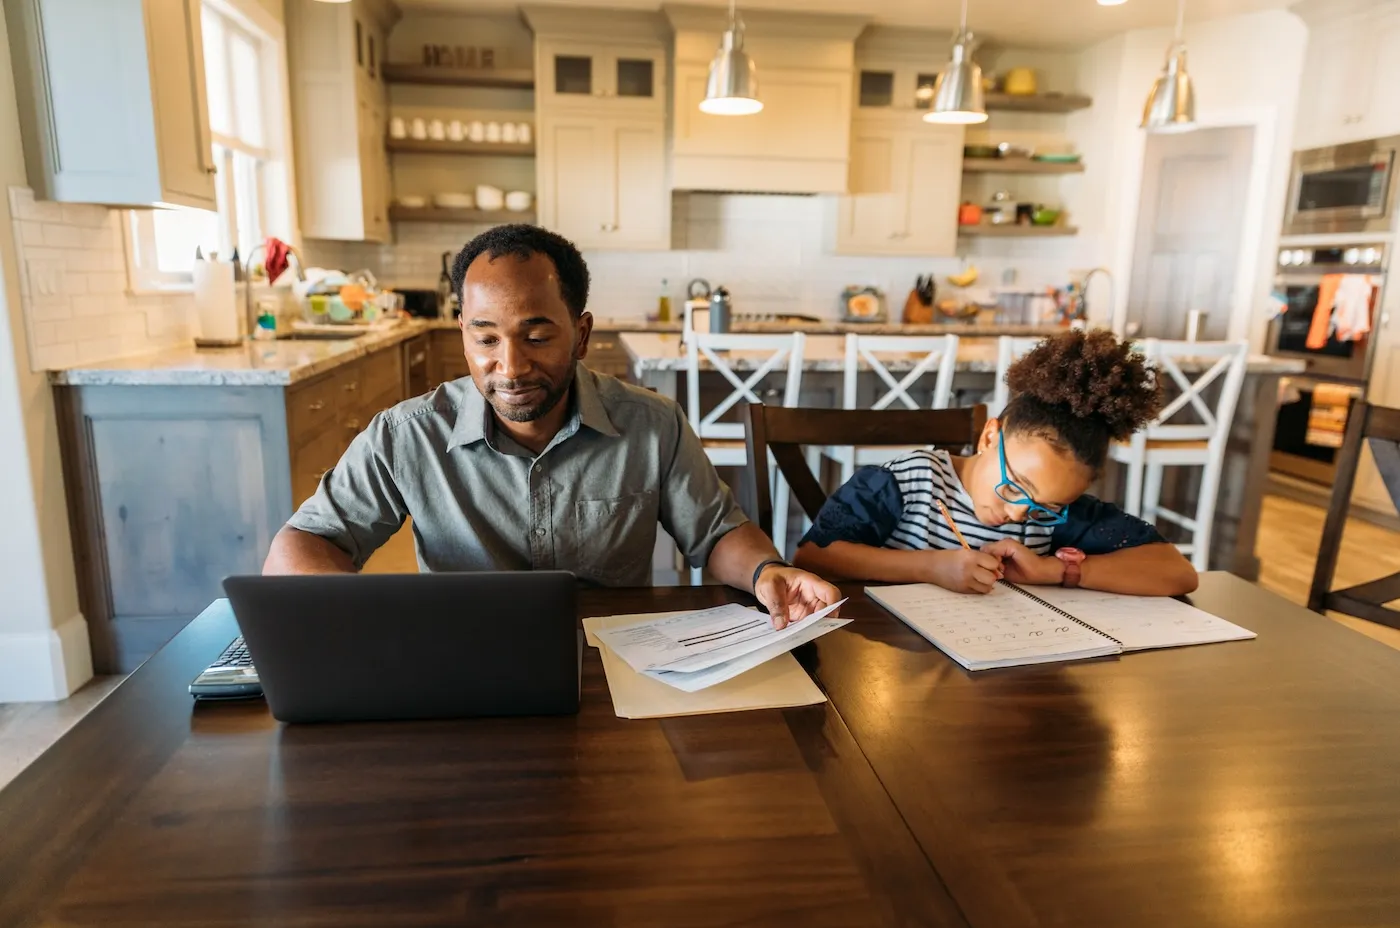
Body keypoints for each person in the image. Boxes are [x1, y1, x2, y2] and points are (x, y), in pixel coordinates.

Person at [264, 224, 838, 629]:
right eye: (486, 339)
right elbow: (309, 542)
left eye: (537, 337)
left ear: (582, 335)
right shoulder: (406, 434)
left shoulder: (651, 424)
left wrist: (769, 570)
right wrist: (355, 624)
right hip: (462, 663)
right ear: (461, 331)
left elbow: (716, 534)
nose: (509, 367)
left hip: (614, 666)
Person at [793, 329, 1198, 597]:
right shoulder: (906, 484)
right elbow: (814, 556)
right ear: (989, 437)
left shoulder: (1053, 513)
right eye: (1014, 485)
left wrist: (1053, 571)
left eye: (1044, 506)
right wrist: (932, 567)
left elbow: (1177, 572)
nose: (1020, 513)